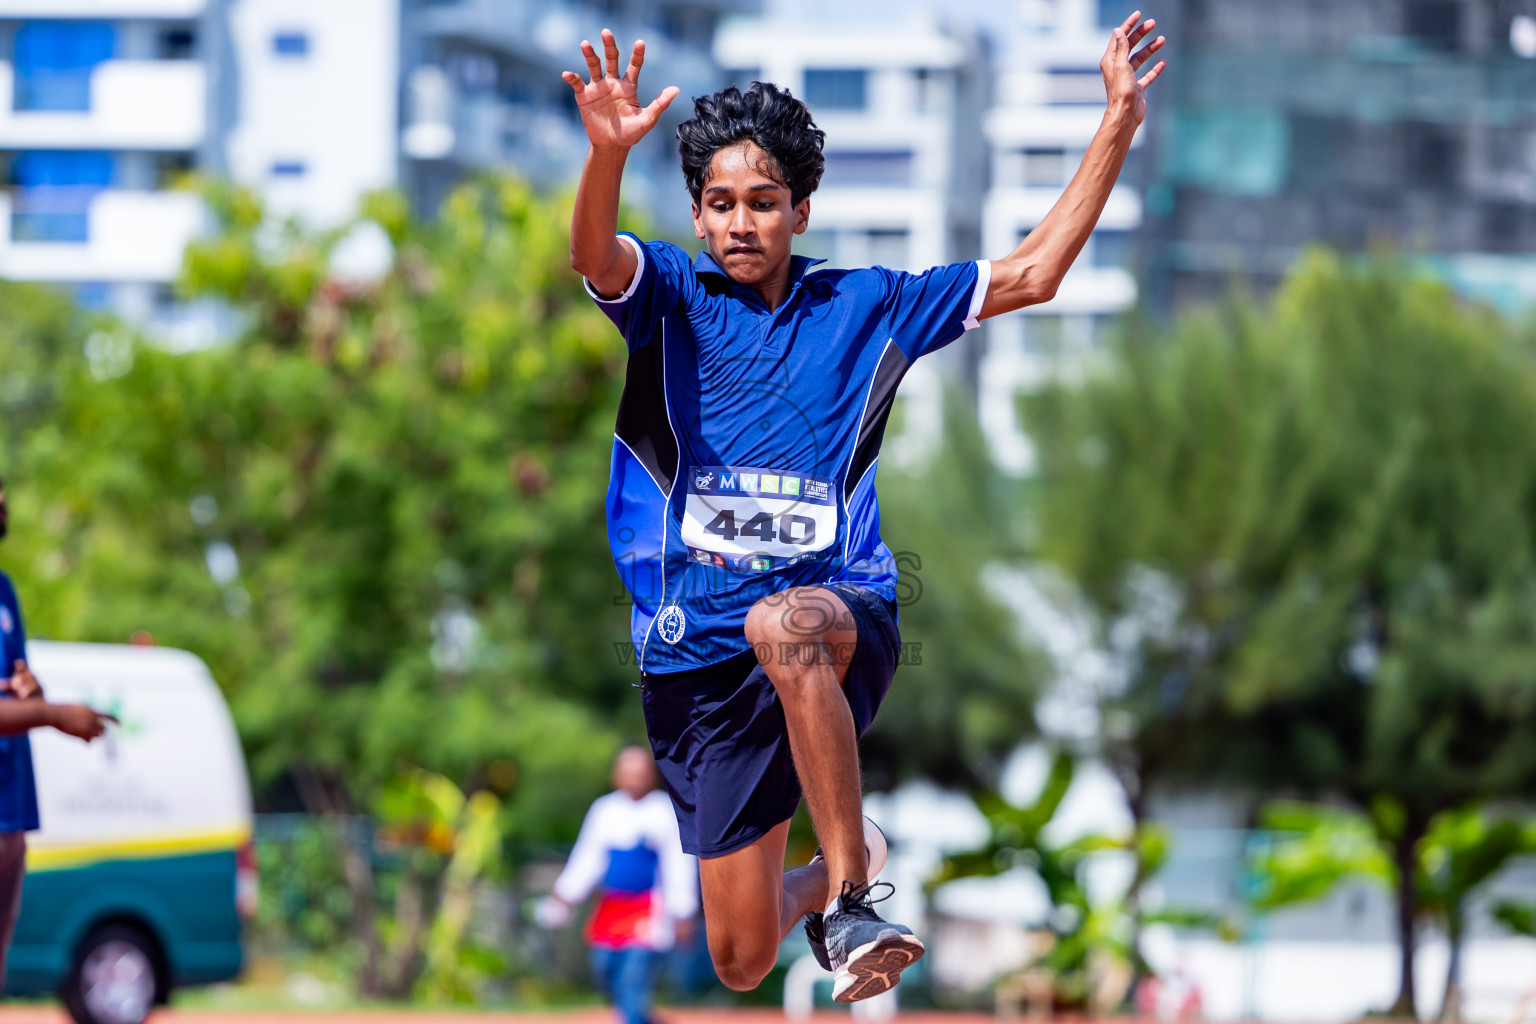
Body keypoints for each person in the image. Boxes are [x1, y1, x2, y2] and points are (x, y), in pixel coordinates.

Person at [561, 12, 1166, 1003]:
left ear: (803, 206)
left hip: (837, 616)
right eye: (720, 204)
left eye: (763, 201)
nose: (740, 222)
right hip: (693, 657)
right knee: (741, 957)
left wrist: (1116, 124)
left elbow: (1033, 273)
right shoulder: (669, 293)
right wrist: (604, 158)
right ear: (700, 214)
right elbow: (594, 256)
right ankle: (835, 868)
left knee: (785, 621)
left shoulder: (868, 305)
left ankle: (853, 896)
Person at [0, 473, 114, 985]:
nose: (4, 502)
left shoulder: (4, 592)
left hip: (11, 810)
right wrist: (55, 715)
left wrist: (35, 694)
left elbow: (18, 687)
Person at [538, 746, 699, 1024]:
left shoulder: (664, 810)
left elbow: (678, 864)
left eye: (640, 771)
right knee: (605, 970)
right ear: (616, 775)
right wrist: (564, 895)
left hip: (648, 912)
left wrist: (682, 910)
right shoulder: (604, 810)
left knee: (632, 978)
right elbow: (587, 858)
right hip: (611, 910)